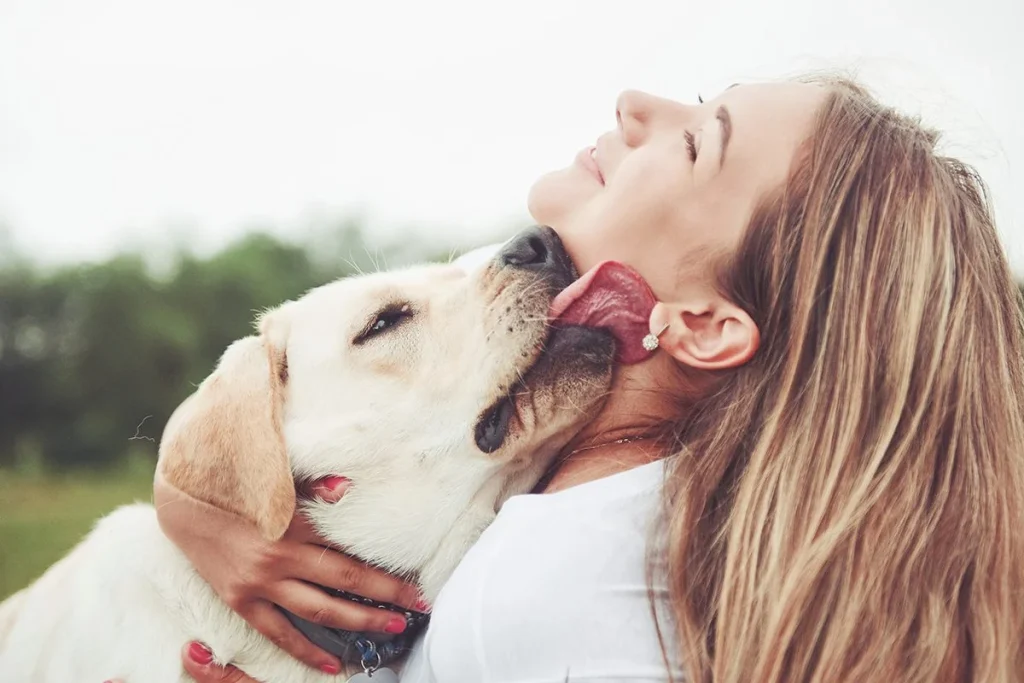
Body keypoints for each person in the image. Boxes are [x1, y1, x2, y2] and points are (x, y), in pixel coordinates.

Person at [136, 76, 1024, 682]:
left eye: (695, 144)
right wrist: (204, 507)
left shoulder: (567, 586)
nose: (638, 104)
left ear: (705, 325)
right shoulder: (545, 322)